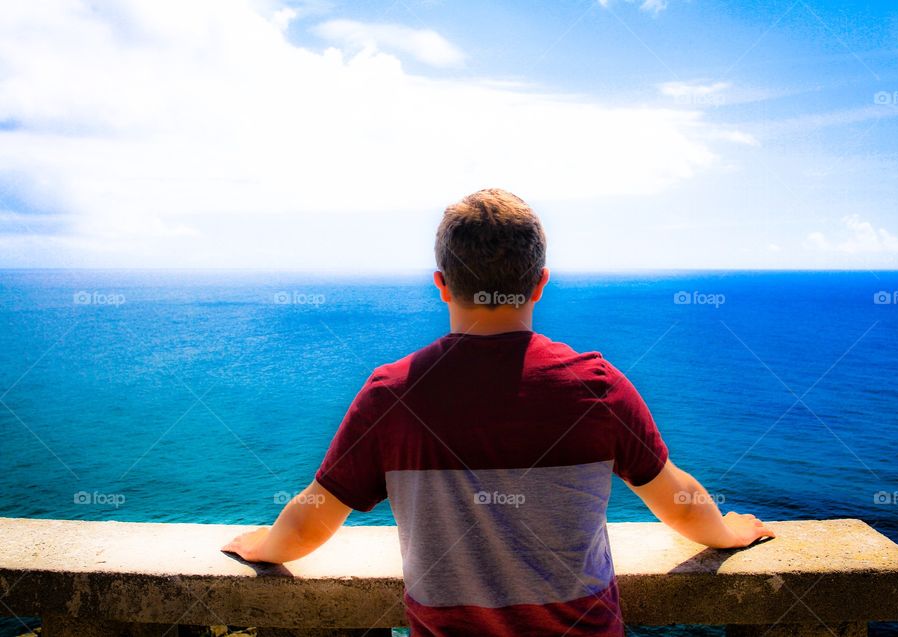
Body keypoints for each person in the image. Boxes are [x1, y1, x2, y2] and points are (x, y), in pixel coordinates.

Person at [223, 188, 775, 636]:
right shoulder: (596, 386)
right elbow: (677, 502)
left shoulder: (391, 394)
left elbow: (313, 518)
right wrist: (727, 532)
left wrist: (262, 546)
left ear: (441, 285)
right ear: (540, 283)